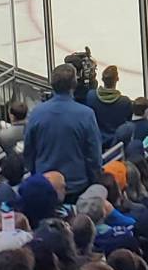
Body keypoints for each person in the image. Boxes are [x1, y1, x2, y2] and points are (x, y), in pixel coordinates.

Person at [24, 64, 104, 198]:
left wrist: (35, 174)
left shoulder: (36, 113)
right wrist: (95, 179)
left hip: (45, 183)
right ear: (74, 84)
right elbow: (94, 154)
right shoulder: (86, 114)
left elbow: (29, 149)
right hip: (76, 184)